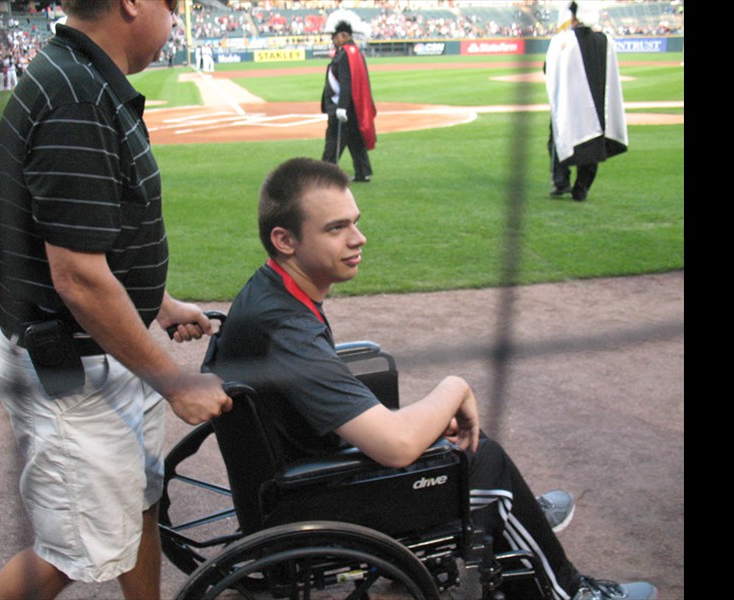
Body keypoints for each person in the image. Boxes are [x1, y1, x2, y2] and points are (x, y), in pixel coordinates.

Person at [202, 157, 658, 600]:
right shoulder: (288, 329)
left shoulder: (270, 294)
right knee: (481, 458)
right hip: (306, 499)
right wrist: (454, 387)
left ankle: (506, 512)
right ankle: (567, 589)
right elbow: (396, 446)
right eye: (336, 228)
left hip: (288, 477)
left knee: (439, 432)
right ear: (284, 239)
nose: (358, 238)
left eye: (354, 221)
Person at [0, 1, 232, 598]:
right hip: (76, 373)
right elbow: (77, 276)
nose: (175, 18)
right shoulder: (77, 96)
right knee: (73, 551)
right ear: (132, 3)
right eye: (171, 5)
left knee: (139, 504)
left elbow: (100, 240)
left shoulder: (84, 78)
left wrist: (160, 303)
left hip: (102, 360)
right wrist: (175, 383)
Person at [545, 1, 627, 201]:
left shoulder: (563, 41)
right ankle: (581, 188)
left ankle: (561, 180)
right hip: (598, 105)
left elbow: (549, 70)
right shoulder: (606, 41)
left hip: (569, 104)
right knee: (592, 145)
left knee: (559, 138)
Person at [321, 20, 376, 183]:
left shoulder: (345, 54)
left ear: (344, 36)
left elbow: (346, 82)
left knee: (333, 142)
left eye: (335, 36)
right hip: (353, 108)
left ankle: (326, 175)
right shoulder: (354, 52)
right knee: (355, 140)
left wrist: (341, 107)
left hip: (342, 108)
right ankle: (363, 171)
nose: (333, 40)